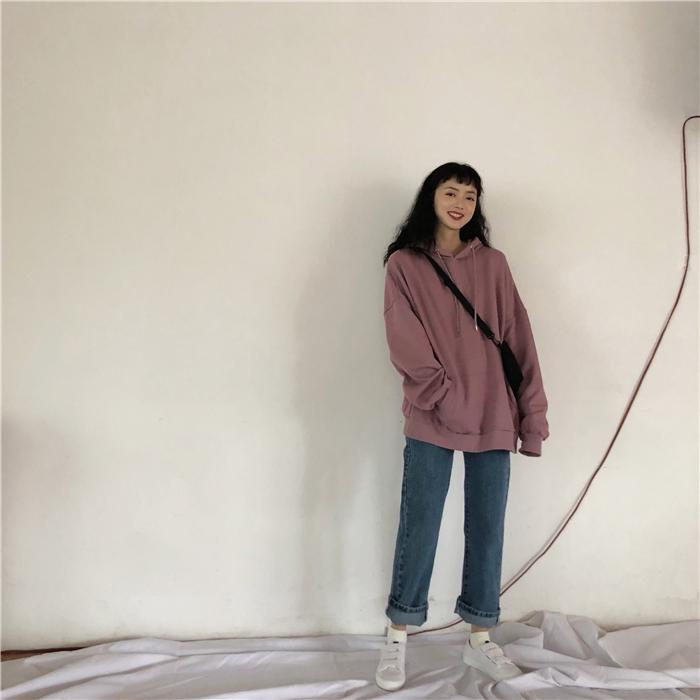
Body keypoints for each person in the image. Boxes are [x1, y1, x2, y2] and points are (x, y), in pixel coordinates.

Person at [375, 162, 549, 691]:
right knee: (420, 525)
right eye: (451, 192)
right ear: (431, 197)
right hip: (432, 416)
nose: (460, 203)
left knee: (488, 528)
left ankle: (480, 639)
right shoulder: (405, 264)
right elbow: (403, 338)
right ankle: (398, 636)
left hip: (493, 414)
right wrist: (440, 394)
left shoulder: (493, 264)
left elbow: (519, 339)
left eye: (470, 196)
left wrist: (532, 416)